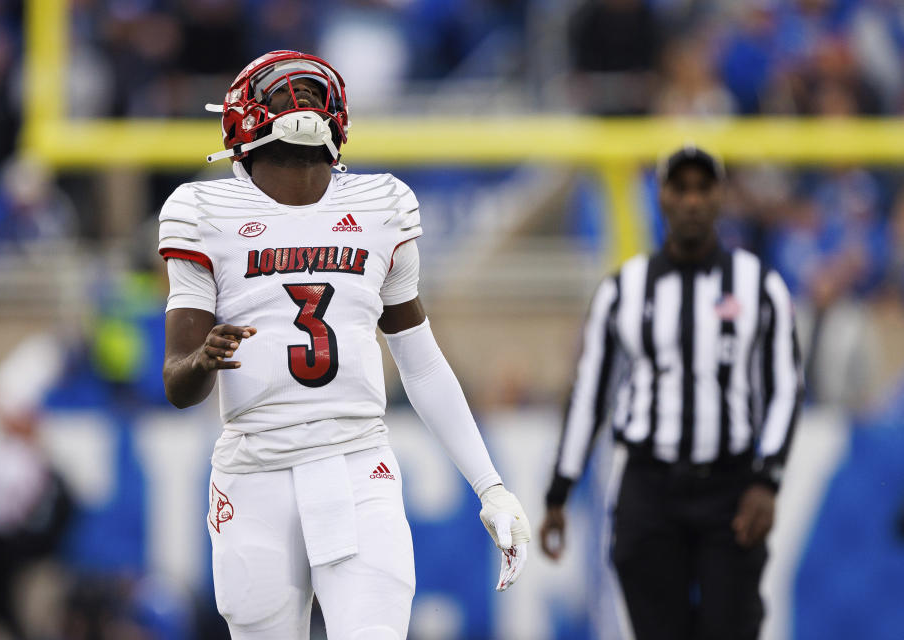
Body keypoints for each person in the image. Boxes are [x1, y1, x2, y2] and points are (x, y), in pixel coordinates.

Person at [158, 50, 530, 640]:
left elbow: (420, 359)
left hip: (358, 461)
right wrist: (204, 359)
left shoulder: (381, 204)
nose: (301, 104)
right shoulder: (204, 210)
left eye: (311, 92)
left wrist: (491, 486)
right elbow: (177, 383)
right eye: (285, 94)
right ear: (243, 116)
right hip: (255, 470)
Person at [540, 145, 803, 640]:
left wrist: (768, 479)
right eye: (680, 188)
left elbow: (786, 387)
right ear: (661, 197)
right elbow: (590, 394)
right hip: (650, 488)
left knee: (733, 628)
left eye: (703, 188)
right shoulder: (623, 290)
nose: (691, 201)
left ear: (720, 197)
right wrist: (560, 492)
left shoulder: (759, 285)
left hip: (730, 488)